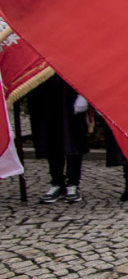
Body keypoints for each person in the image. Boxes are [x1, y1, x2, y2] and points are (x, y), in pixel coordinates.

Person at [28, 75, 88, 203]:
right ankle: (57, 182)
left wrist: (84, 95)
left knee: (73, 138)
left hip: (70, 89)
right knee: (50, 137)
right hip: (43, 90)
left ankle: (73, 183)